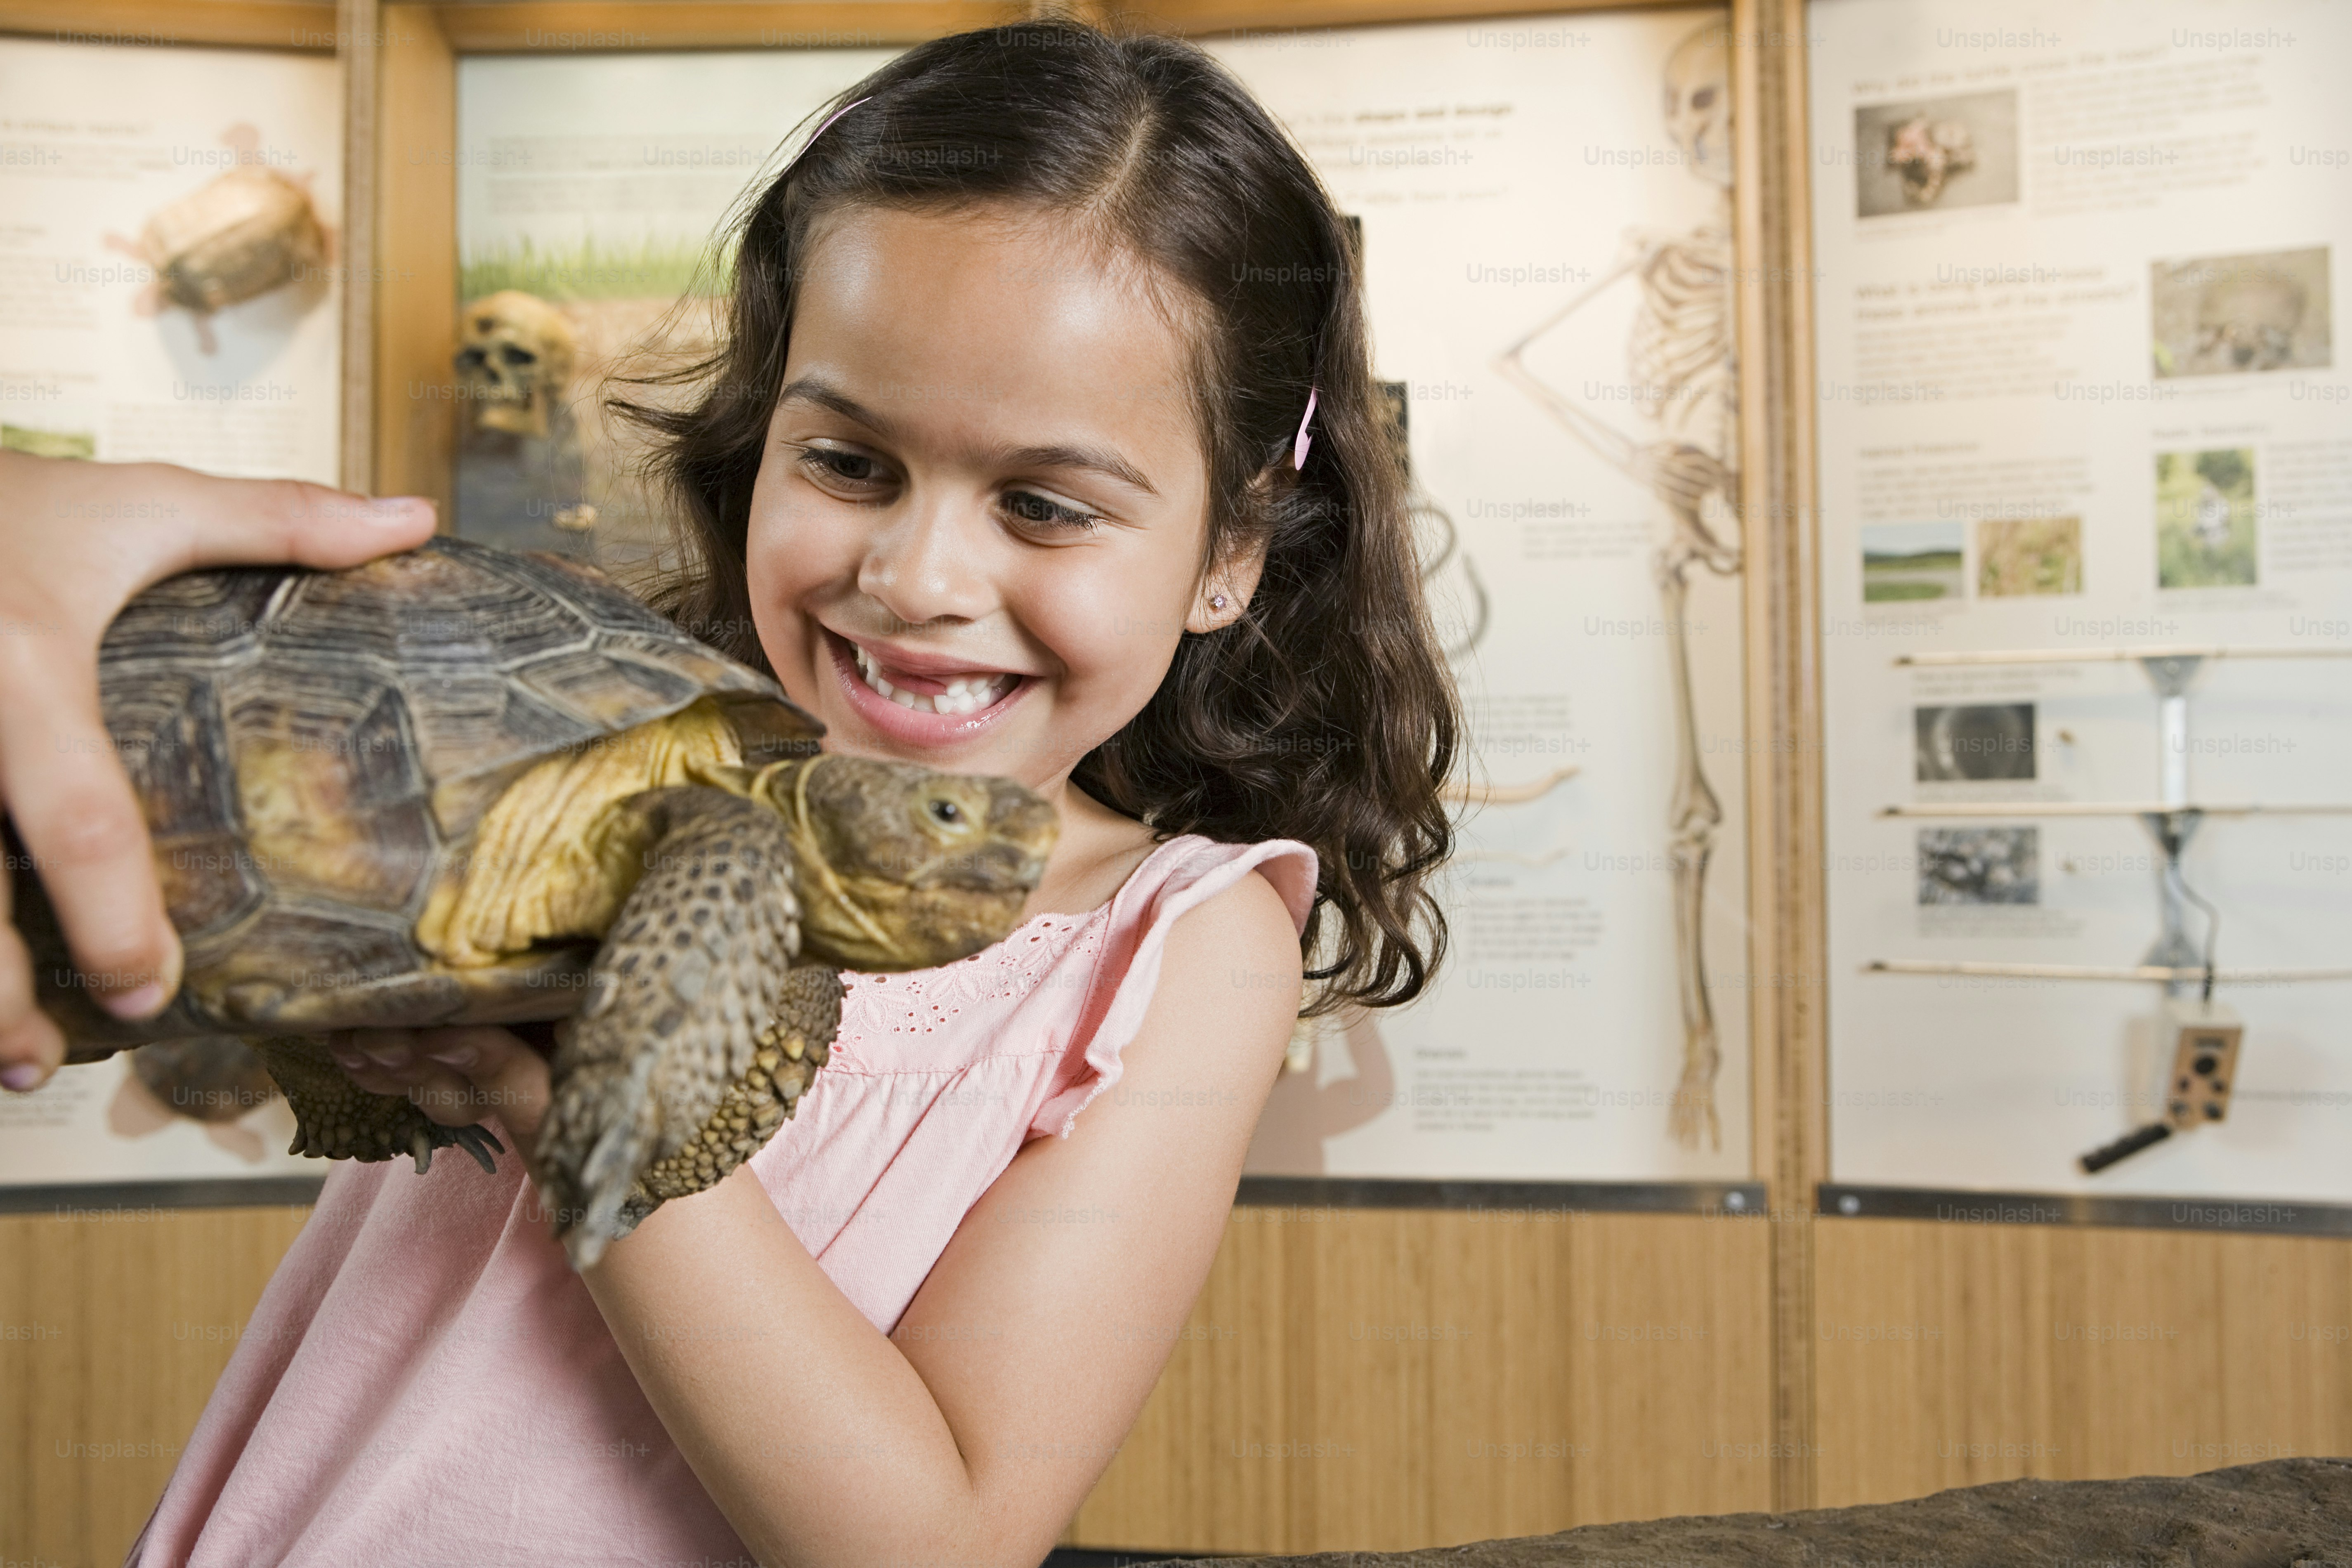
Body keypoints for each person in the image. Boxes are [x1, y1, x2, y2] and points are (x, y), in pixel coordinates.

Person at [0, 22, 1458, 1566]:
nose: (914, 578)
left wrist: (580, 1098)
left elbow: (935, 1544)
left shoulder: (1172, 946)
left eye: (1041, 503)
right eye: (846, 462)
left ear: (1232, 548)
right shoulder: (604, 752)